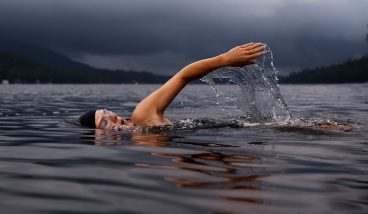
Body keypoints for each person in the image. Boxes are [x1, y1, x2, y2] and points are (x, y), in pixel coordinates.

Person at [79, 42, 265, 130]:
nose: (113, 118)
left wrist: (224, 59)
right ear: (100, 137)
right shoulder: (139, 135)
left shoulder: (141, 115)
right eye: (104, 122)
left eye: (107, 113)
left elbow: (183, 76)